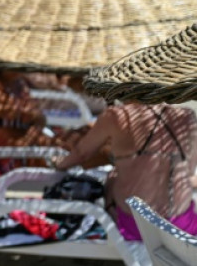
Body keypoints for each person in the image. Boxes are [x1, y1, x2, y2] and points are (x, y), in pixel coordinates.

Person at [54, 102, 197, 241]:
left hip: (135, 226)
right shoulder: (187, 116)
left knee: (113, 176)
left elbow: (82, 153)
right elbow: (190, 171)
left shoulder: (117, 115)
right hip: (181, 226)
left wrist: (59, 165)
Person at [0, 71, 108, 168]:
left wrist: (34, 117)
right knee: (100, 147)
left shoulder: (19, 83)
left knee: (95, 134)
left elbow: (38, 120)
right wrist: (0, 111)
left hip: (35, 143)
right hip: (21, 153)